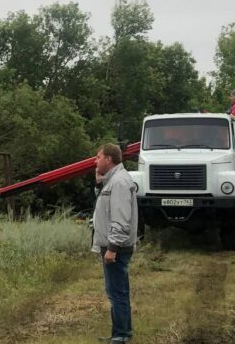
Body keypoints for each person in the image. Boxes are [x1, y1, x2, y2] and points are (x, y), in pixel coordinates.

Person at [92, 143, 138, 344]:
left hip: (116, 247)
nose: (95, 161)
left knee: (116, 292)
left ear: (108, 159)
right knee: (119, 291)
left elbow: (120, 218)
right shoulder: (113, 181)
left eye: (98, 157)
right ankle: (122, 332)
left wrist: (112, 248)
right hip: (114, 245)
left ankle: (120, 336)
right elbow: (105, 205)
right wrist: (98, 184)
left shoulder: (119, 182)